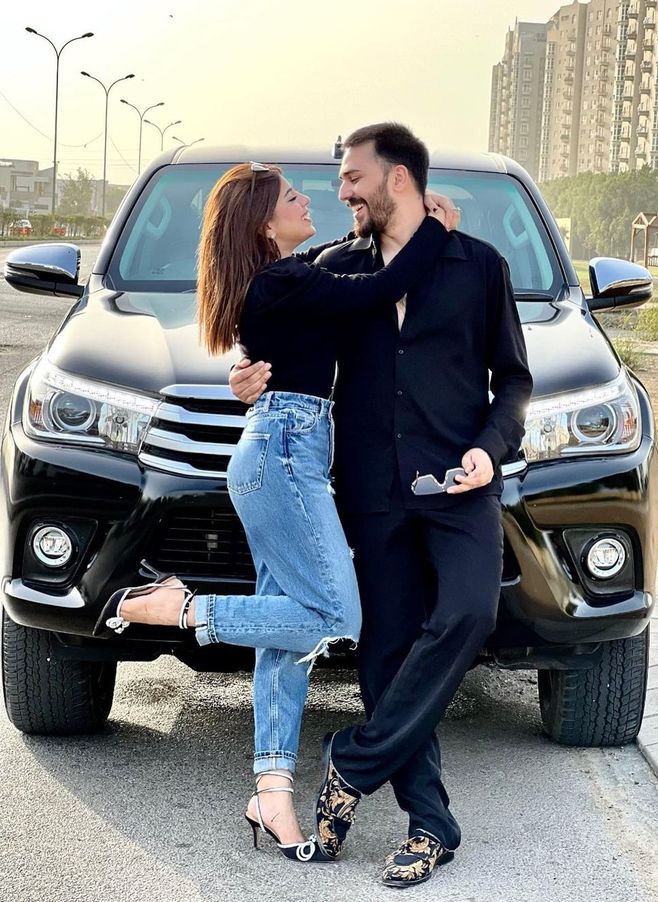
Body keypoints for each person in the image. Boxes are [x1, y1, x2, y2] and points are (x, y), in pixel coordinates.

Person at [94, 160, 455, 863]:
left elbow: (325, 300)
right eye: (293, 197)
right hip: (286, 454)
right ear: (265, 223)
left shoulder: (280, 280)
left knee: (283, 629)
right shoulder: (288, 278)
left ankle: (273, 788)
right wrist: (435, 232)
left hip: (283, 450)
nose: (308, 202)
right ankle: (183, 606)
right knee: (335, 616)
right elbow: (382, 286)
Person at [230, 123, 533, 887]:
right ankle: (430, 824)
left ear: (396, 178)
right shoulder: (335, 269)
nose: (342, 193)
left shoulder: (479, 266)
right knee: (386, 655)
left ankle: (351, 763)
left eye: (352, 178)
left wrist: (489, 449)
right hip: (372, 491)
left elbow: (515, 379)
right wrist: (242, 372)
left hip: (460, 481)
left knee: (469, 613)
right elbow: (272, 335)